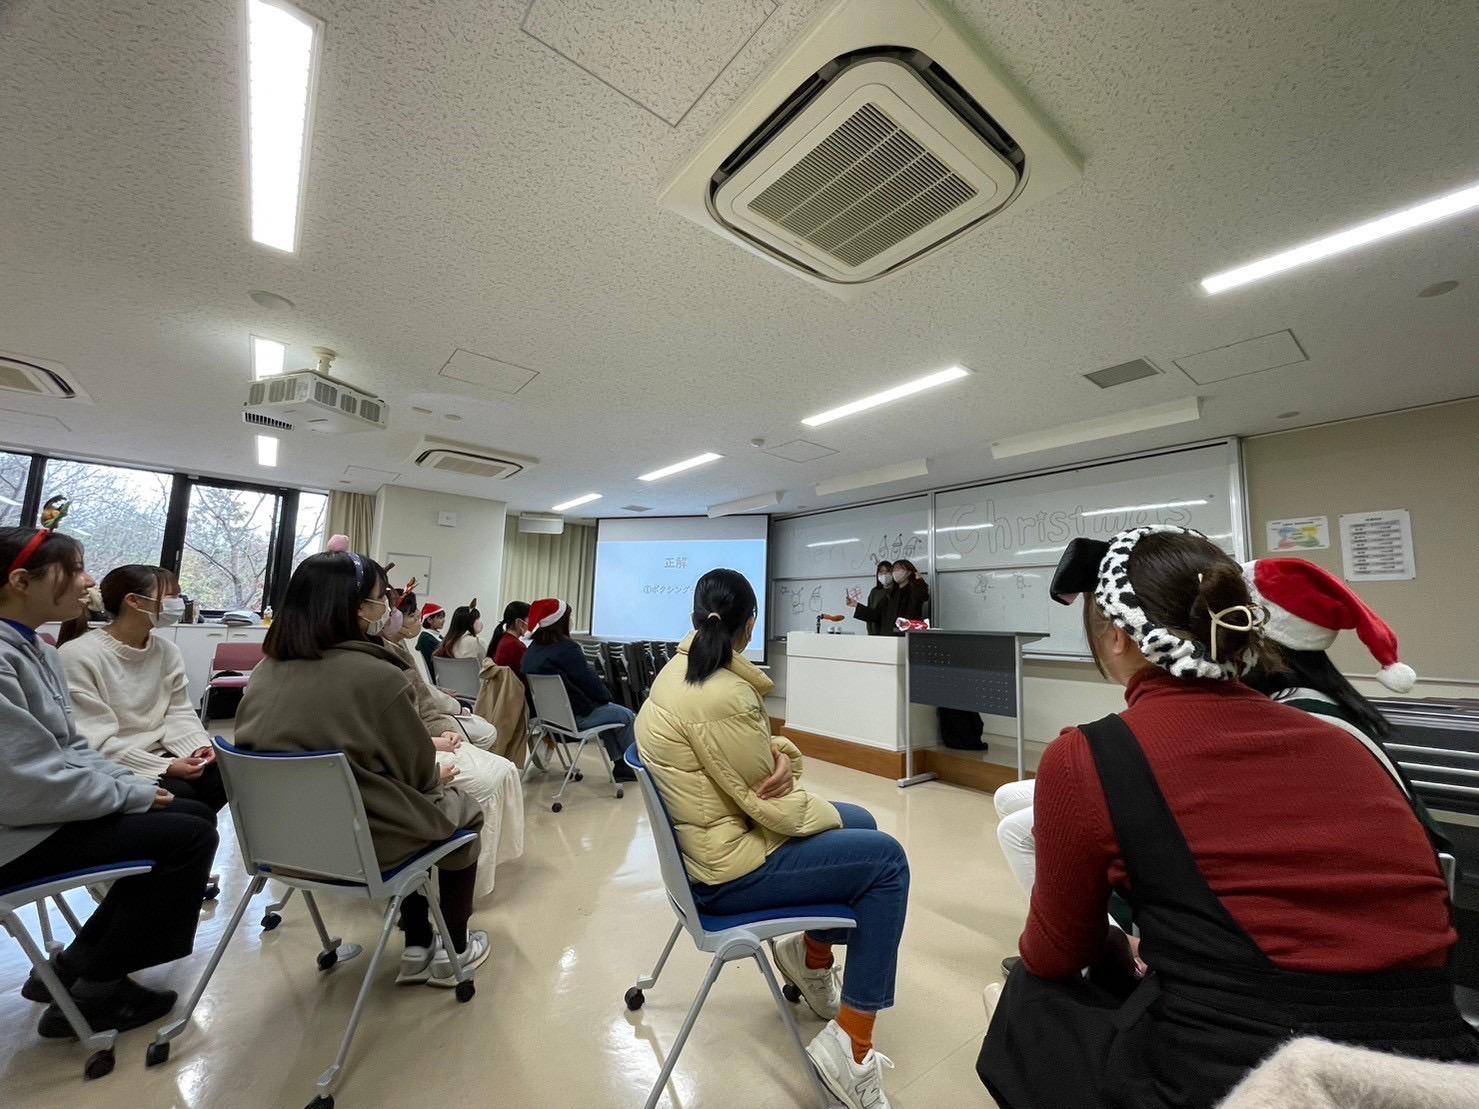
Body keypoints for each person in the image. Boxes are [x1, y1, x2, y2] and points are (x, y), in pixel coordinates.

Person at [977, 526, 1476, 1109]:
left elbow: (1055, 954)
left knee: (1028, 993)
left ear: (1116, 637)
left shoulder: (1090, 753)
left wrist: (1121, 953)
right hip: (1430, 1071)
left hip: (1247, 1076)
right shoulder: (1344, 741)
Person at [637, 569, 910, 1109]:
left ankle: (810, 960)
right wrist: (799, 772)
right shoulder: (722, 694)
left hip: (715, 850)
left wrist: (786, 760)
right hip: (729, 875)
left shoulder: (680, 675)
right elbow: (775, 802)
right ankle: (852, 1048)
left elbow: (757, 757)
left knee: (863, 823)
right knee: (887, 862)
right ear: (751, 624)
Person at [234, 550, 490, 987]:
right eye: (379, 599)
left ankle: (416, 944)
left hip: (278, 848)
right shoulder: (379, 676)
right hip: (360, 846)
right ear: (355, 609)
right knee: (461, 809)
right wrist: (438, 776)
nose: (386, 608)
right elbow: (416, 776)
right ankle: (454, 948)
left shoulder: (265, 671)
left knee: (409, 809)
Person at [0, 526, 218, 1038]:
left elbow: (70, 748)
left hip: (44, 808)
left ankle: (75, 964)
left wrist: (135, 780)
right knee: (188, 832)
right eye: (74, 569)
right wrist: (137, 786)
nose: (88, 580)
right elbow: (26, 782)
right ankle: (98, 988)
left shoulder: (38, 650)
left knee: (193, 810)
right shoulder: (23, 656)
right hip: (17, 832)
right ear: (20, 581)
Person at [385, 590, 524, 898]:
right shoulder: (381, 660)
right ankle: (456, 921)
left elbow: (422, 696)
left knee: (491, 762)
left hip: (433, 723)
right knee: (488, 751)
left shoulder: (433, 644)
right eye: (408, 613)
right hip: (419, 748)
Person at [57, 564, 226, 812]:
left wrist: (198, 746)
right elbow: (91, 739)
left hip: (164, 753)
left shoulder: (167, 651)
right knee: (186, 800)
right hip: (114, 764)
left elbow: (179, 710)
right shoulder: (78, 655)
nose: (178, 603)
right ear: (134, 601)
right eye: (172, 596)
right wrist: (164, 767)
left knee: (225, 778)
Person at [522, 597, 635, 782]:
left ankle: (621, 765)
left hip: (550, 720)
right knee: (626, 716)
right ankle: (632, 765)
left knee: (609, 714)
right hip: (576, 720)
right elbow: (592, 685)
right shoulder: (567, 649)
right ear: (560, 621)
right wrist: (607, 697)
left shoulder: (533, 650)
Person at [846, 559, 928, 635]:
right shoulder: (890, 594)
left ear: (909, 572)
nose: (895, 572)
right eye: (893, 570)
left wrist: (919, 582)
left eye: (898, 568)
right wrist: (856, 605)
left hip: (906, 637)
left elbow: (922, 599)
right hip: (887, 637)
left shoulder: (914, 590)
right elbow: (876, 615)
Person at [488, 600, 531, 686]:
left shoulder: (502, 639)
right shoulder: (516, 645)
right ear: (519, 622)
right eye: (529, 619)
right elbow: (528, 679)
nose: (530, 624)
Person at [850, 562, 894, 636]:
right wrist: (856, 605)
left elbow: (882, 614)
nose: (884, 575)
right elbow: (870, 612)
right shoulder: (875, 591)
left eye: (887, 571)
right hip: (873, 632)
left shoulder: (897, 591)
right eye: (881, 572)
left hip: (888, 633)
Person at [416, 601, 446, 673]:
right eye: (440, 617)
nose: (443, 620)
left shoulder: (438, 636)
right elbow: (433, 663)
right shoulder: (425, 638)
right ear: (429, 620)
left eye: (443, 617)